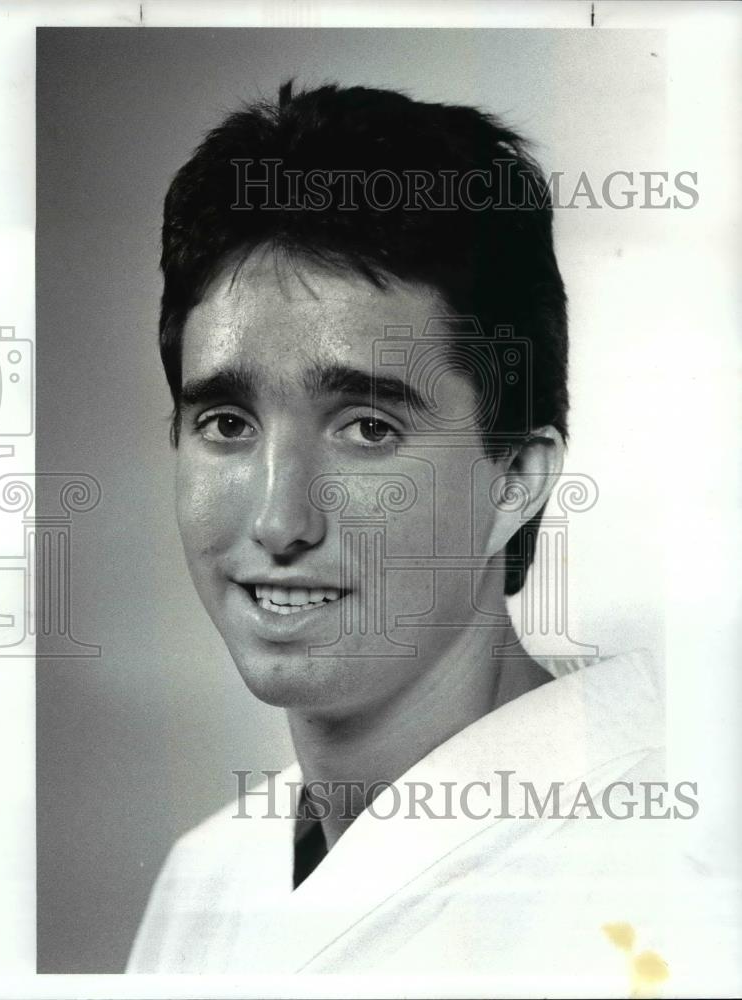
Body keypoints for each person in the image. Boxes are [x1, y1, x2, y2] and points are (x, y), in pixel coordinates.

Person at [126, 81, 704, 993]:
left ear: (514, 476)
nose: (279, 522)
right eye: (227, 423)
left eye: (367, 427)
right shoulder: (205, 877)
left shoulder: (677, 877)